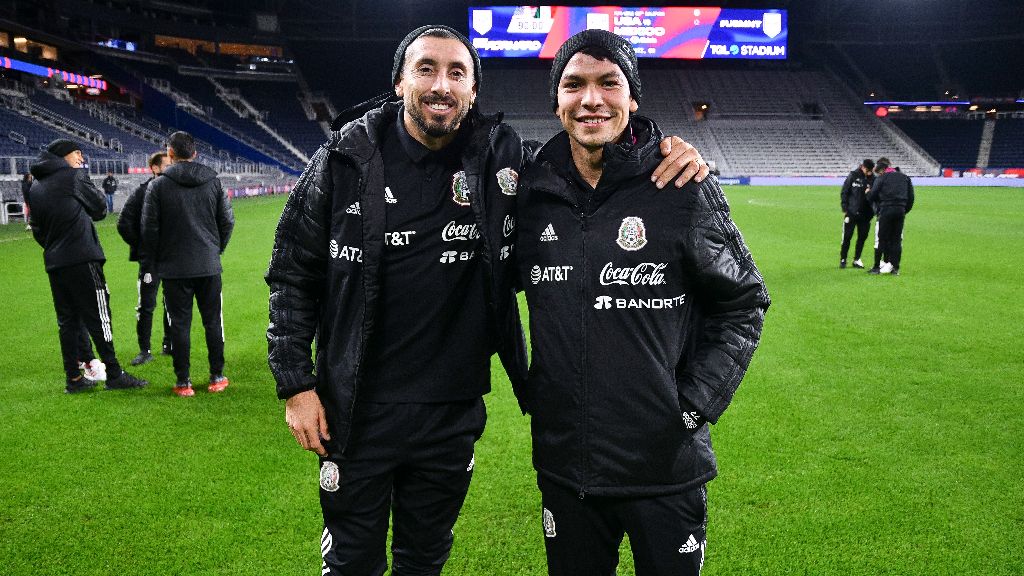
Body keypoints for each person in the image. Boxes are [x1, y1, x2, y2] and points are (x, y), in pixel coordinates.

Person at [266, 24, 709, 575]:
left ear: (474, 91)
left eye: (457, 73)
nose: (441, 85)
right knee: (351, 564)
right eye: (426, 68)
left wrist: (661, 145)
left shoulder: (500, 159)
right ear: (400, 81)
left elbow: (595, 145)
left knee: (423, 561)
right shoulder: (343, 159)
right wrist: (296, 385)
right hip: (355, 407)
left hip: (450, 412)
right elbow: (291, 273)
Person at [516, 30, 770, 576]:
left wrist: (694, 403)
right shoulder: (530, 195)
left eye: (610, 83)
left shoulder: (681, 185)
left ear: (632, 97)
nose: (591, 99)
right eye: (574, 84)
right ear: (556, 100)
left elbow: (744, 302)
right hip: (567, 466)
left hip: (664, 466)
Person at [26, 139, 148, 393]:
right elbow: (100, 208)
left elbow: (37, 229)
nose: (81, 158)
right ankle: (114, 374)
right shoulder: (73, 177)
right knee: (99, 316)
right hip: (82, 257)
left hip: (55, 262)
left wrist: (55, 246)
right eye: (77, 153)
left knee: (67, 321)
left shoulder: (35, 186)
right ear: (63, 156)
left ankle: (74, 379)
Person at [142, 131, 234, 396]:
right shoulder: (213, 182)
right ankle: (217, 375)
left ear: (170, 153)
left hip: (174, 268)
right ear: (195, 153)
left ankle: (184, 382)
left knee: (179, 324)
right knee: (213, 322)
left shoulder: (158, 186)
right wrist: (215, 249)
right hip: (208, 264)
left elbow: (149, 229)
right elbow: (227, 221)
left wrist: (160, 258)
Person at [117, 151, 173, 365]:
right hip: (150, 261)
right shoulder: (141, 193)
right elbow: (123, 223)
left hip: (172, 259)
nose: (171, 168)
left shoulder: (174, 191)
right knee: (146, 304)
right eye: (167, 165)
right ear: (155, 168)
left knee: (172, 303)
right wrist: (142, 248)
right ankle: (144, 350)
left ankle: (169, 344)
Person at [866, 157, 914, 275]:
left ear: (882, 170)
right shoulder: (905, 177)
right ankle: (895, 268)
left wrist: (868, 193)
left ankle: (876, 267)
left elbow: (873, 195)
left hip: (886, 210)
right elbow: (911, 198)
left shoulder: (881, 178)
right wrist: (904, 210)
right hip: (900, 210)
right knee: (896, 240)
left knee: (881, 239)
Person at [839, 158, 875, 269]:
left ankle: (857, 259)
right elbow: (845, 191)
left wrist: (872, 211)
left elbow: (875, 196)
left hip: (866, 214)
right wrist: (845, 207)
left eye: (871, 171)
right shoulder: (853, 175)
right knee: (847, 236)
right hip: (852, 212)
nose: (869, 173)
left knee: (862, 237)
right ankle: (843, 259)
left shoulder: (874, 179)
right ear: (863, 167)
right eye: (868, 170)